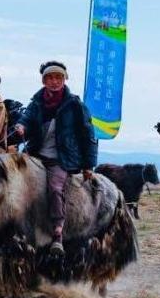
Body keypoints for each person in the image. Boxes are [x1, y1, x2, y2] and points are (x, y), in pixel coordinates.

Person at [15, 60, 98, 254]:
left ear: (64, 79)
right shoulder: (36, 103)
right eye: (50, 77)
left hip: (61, 159)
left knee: (54, 189)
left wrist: (88, 165)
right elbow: (25, 119)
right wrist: (21, 126)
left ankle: (57, 233)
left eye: (58, 77)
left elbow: (88, 135)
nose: (54, 81)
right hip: (35, 155)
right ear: (43, 81)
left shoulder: (75, 105)